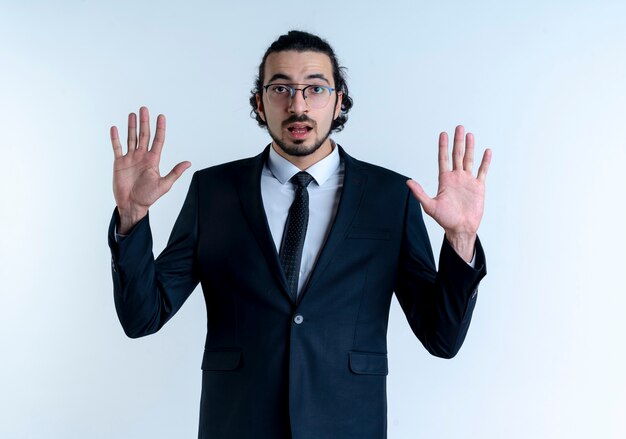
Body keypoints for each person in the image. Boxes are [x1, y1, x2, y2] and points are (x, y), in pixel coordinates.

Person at [108, 30, 491, 439]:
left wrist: (461, 239)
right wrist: (132, 215)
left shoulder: (390, 197)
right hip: (237, 424)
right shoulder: (213, 192)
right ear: (260, 101)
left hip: (348, 425)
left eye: (315, 88)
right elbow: (142, 316)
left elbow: (442, 337)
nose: (298, 105)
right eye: (280, 88)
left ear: (338, 100)